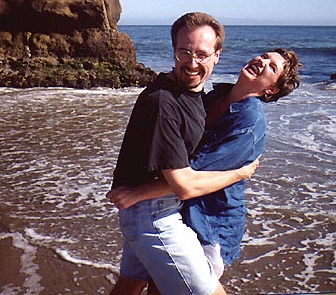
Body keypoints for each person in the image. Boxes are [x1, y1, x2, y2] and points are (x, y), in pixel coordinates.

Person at [107, 48, 301, 294]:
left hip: (209, 220)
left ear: (271, 90)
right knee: (133, 283)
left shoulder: (249, 124)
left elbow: (193, 175)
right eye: (264, 57)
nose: (262, 62)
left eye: (272, 67)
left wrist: (138, 193)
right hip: (170, 208)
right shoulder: (214, 96)